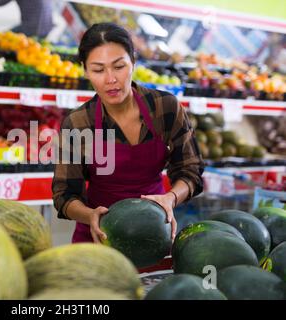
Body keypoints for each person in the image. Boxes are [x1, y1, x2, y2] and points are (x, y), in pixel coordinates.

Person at [52, 23, 204, 244]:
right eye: (98, 70)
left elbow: (191, 169)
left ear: (133, 61)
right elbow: (64, 194)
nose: (110, 79)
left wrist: (170, 198)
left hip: (154, 233)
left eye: (119, 66)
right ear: (85, 71)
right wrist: (90, 215)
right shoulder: (78, 123)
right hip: (99, 238)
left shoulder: (165, 107)